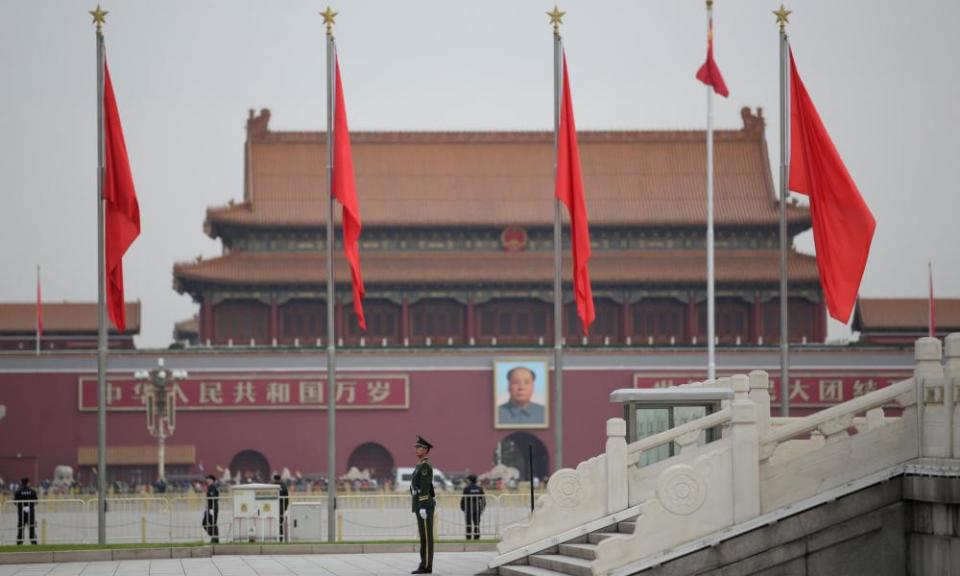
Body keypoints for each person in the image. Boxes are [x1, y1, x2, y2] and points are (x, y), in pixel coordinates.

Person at [411, 436, 435, 574]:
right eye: (416, 447)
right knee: (423, 535)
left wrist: (423, 506)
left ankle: (426, 566)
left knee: (426, 536)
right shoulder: (420, 464)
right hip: (421, 503)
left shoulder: (425, 465)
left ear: (426, 450)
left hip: (424, 504)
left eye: (419, 447)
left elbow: (425, 487)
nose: (417, 449)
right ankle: (423, 563)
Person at [459, 474, 485, 540]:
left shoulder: (466, 488)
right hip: (477, 508)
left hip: (468, 508)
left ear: (469, 480)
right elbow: (483, 500)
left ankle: (468, 537)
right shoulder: (479, 488)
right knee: (477, 523)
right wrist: (481, 508)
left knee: (468, 523)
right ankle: (476, 537)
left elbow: (463, 499)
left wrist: (463, 508)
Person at [14, 477, 38, 545]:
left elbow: (15, 503)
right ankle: (33, 543)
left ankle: (19, 543)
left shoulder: (18, 492)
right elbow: (36, 502)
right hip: (31, 513)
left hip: (21, 513)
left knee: (21, 528)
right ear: (28, 482)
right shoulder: (32, 491)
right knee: (32, 528)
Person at [204, 474, 219, 543]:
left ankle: (215, 538)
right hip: (210, 508)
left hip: (213, 508)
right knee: (208, 523)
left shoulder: (213, 487)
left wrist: (211, 509)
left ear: (213, 480)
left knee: (212, 523)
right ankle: (214, 537)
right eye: (207, 479)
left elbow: (213, 498)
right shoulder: (210, 487)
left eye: (209, 479)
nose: (208, 480)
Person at [273, 473, 289, 542]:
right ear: (280, 478)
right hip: (281, 507)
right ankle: (280, 538)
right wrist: (285, 507)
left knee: (272, 522)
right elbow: (286, 498)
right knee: (280, 523)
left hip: (272, 507)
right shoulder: (284, 486)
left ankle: (273, 537)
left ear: (274, 479)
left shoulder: (272, 485)